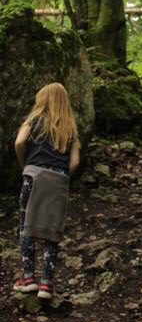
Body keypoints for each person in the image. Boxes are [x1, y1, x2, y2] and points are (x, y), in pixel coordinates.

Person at [13, 83, 80, 300]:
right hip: (58, 180)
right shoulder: (70, 128)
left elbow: (20, 141)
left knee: (27, 226)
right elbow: (76, 162)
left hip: (34, 176)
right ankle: (46, 284)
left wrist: (25, 165)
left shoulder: (33, 120)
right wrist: (61, 173)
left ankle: (29, 278)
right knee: (52, 232)